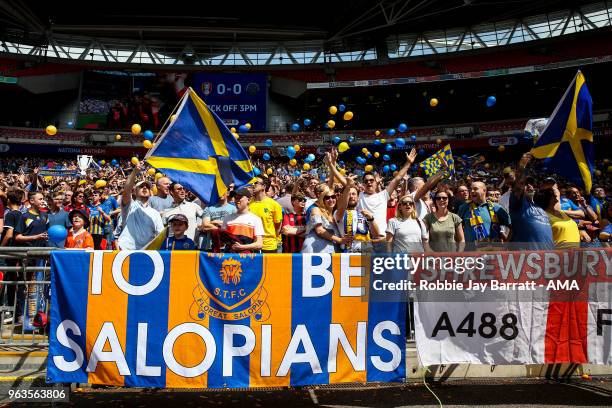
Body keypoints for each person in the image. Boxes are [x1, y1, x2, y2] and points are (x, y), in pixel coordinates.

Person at [357, 148, 418, 252]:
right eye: (366, 181)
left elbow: (398, 178)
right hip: (365, 242)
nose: (369, 183)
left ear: (376, 183)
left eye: (371, 180)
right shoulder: (359, 196)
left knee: (386, 267)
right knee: (365, 268)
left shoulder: (383, 195)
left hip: (382, 240)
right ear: (363, 184)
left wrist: (408, 163)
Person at [508, 153, 554, 250]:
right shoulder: (518, 205)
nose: (529, 186)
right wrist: (522, 166)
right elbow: (518, 186)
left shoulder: (540, 207)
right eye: (526, 184)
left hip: (548, 258)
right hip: (527, 259)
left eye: (531, 184)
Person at [117, 164, 164, 250]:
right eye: (141, 186)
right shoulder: (129, 206)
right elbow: (126, 190)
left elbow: (160, 235)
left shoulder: (155, 213)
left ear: (150, 192)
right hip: (126, 251)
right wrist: (134, 172)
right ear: (134, 191)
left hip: (146, 253)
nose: (145, 188)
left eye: (147, 187)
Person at [457, 181, 511, 250]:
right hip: (471, 253)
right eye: (471, 189)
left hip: (493, 253)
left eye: (475, 189)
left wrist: (507, 245)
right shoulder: (464, 207)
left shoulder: (497, 208)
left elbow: (512, 227)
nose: (472, 191)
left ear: (484, 191)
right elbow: (457, 228)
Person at [334, 176, 379, 253]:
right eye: (349, 194)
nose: (351, 196)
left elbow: (376, 235)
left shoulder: (364, 213)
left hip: (367, 250)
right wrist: (348, 186)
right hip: (349, 252)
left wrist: (371, 219)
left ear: (358, 197)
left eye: (354, 194)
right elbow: (342, 207)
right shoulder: (339, 213)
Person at [301, 186, 348, 253]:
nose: (331, 200)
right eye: (327, 198)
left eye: (333, 197)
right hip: (314, 250)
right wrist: (340, 240)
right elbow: (319, 230)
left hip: (331, 251)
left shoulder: (335, 214)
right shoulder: (316, 210)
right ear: (323, 200)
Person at [534, 183, 580, 248]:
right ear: (547, 199)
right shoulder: (543, 216)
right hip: (559, 255)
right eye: (552, 194)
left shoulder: (561, 212)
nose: (556, 195)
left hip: (576, 253)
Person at [221, 188, 263, 253]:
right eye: (236, 197)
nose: (237, 200)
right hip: (230, 258)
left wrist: (242, 247)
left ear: (248, 200)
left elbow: (259, 244)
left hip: (247, 259)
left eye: (240, 197)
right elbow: (222, 242)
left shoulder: (256, 219)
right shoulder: (227, 218)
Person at [249, 178, 283, 253]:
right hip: (252, 245)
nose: (253, 185)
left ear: (263, 186)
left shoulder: (274, 205)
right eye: (252, 183)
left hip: (268, 246)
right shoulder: (248, 204)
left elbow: (278, 227)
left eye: (256, 183)